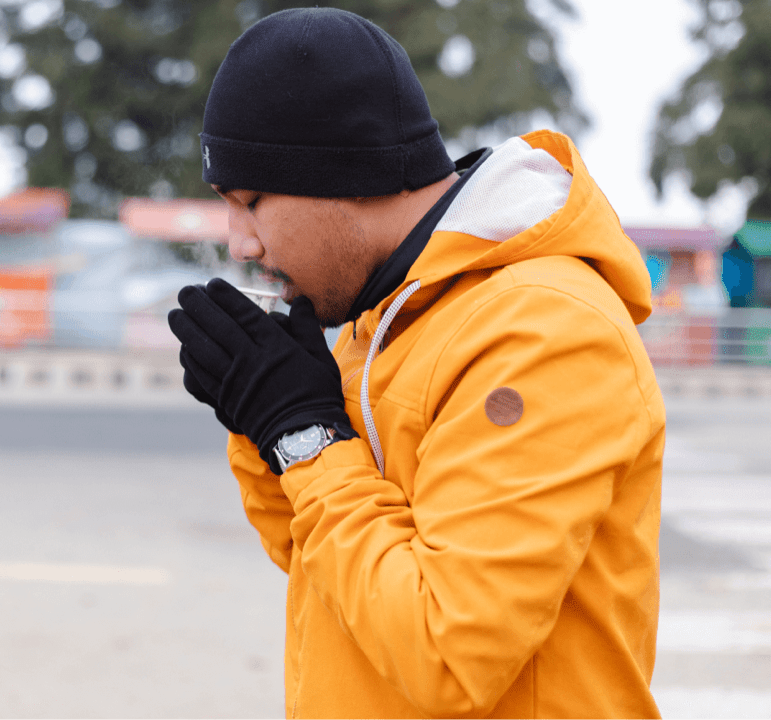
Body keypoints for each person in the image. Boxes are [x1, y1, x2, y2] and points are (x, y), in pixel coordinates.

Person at [168, 8, 664, 719]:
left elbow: (447, 655)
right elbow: (317, 561)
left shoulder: (545, 329)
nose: (239, 242)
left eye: (251, 201)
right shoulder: (387, 312)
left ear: (348, 172)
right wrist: (260, 419)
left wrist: (302, 433)